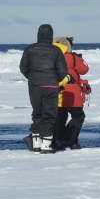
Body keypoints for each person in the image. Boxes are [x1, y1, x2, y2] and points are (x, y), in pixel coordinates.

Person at [19, 24, 70, 154]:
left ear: (38, 34)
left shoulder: (29, 49)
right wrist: (55, 79)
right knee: (49, 115)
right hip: (51, 86)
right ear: (51, 35)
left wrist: (32, 78)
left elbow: (23, 68)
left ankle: (36, 144)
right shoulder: (56, 50)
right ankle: (45, 146)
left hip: (34, 86)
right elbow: (63, 71)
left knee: (37, 113)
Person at [52, 36, 91, 150]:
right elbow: (84, 69)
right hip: (71, 92)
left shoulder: (52, 56)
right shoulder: (71, 57)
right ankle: (69, 139)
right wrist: (78, 59)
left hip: (55, 91)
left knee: (60, 118)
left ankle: (58, 141)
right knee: (78, 116)